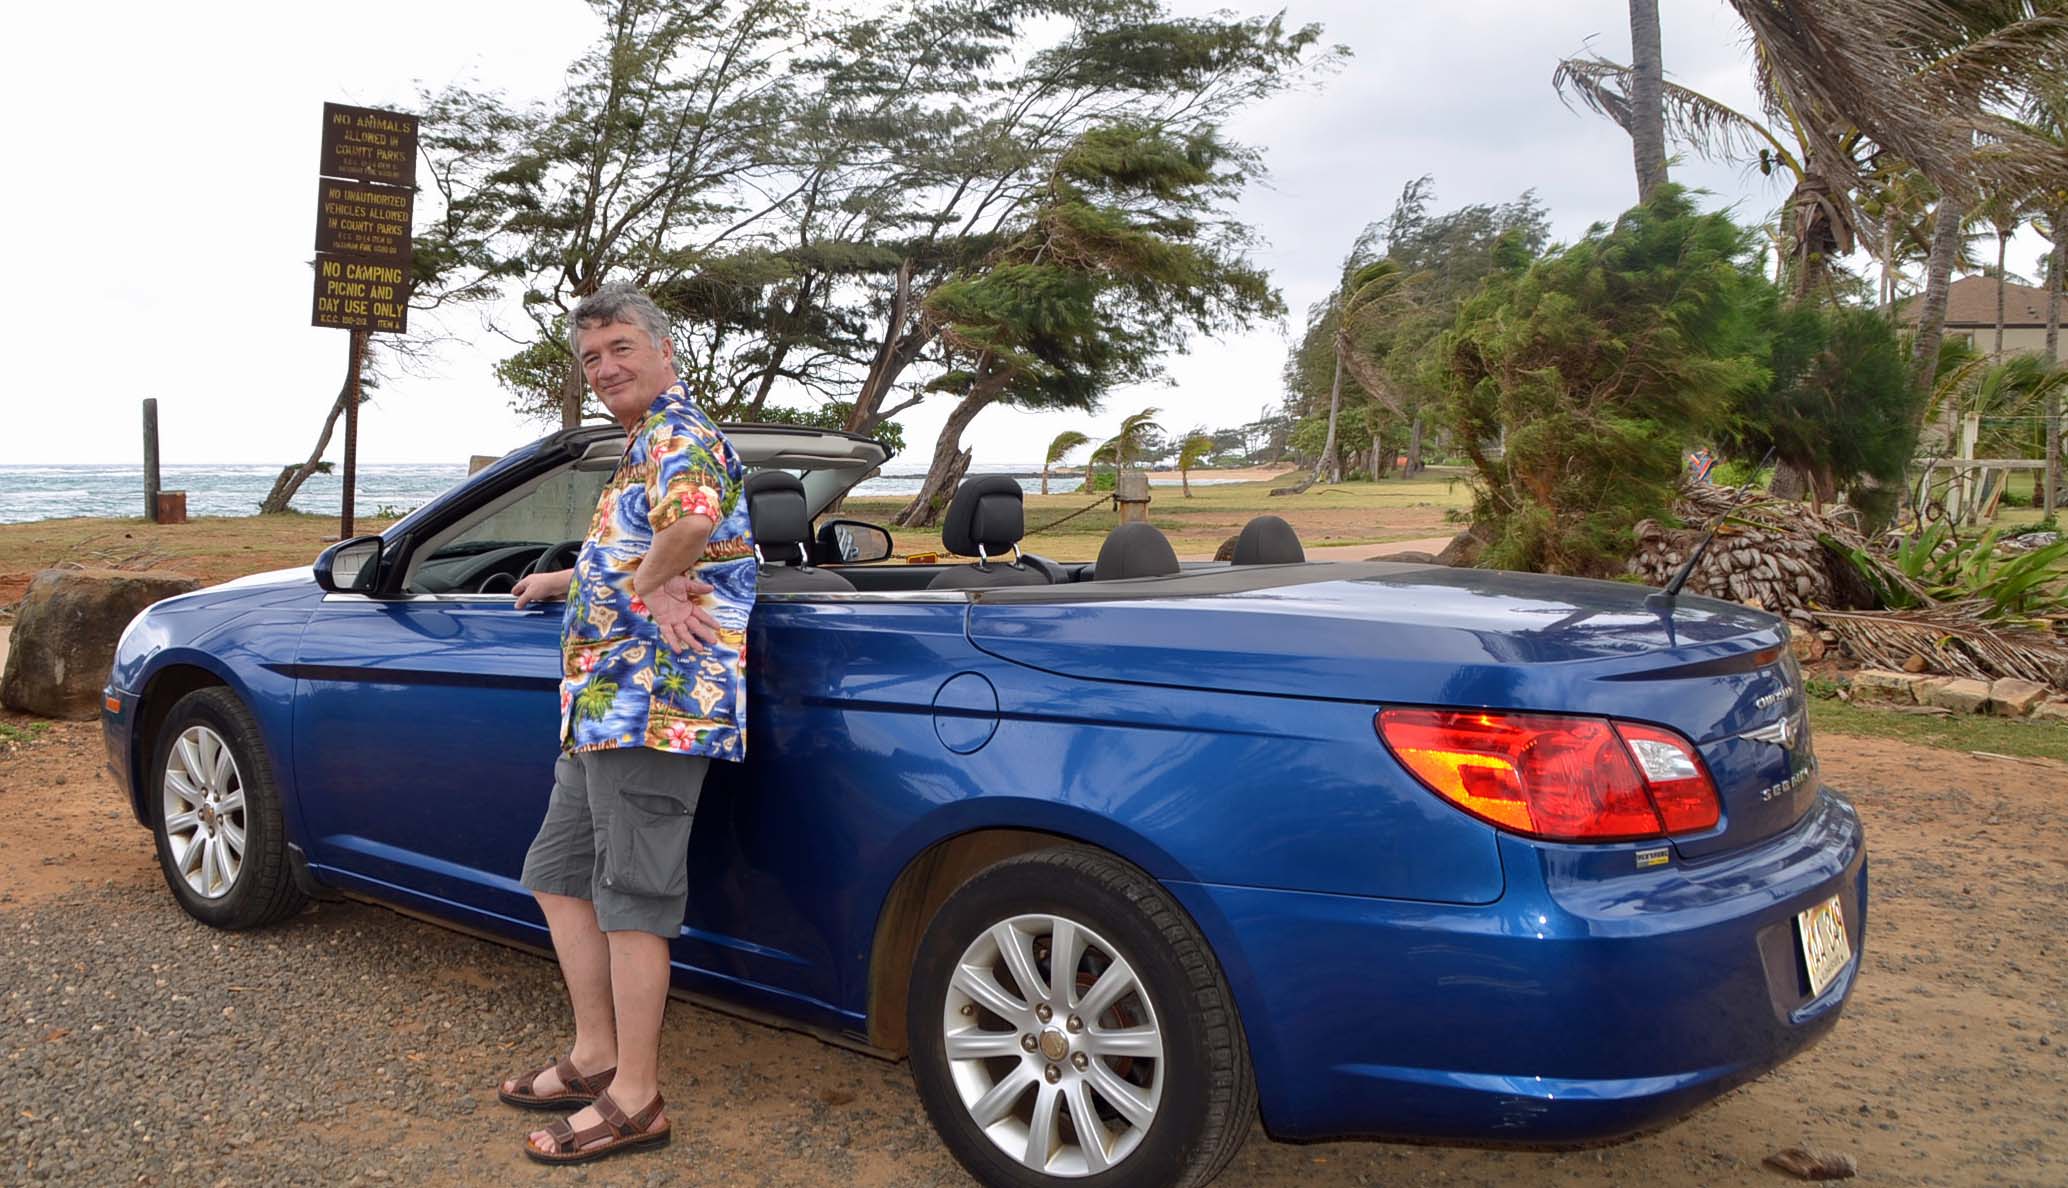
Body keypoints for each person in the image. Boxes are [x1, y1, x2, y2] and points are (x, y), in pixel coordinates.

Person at [496, 283, 757, 1166]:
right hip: (602, 708)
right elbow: (641, 549)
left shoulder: (682, 435)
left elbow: (690, 526)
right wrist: (564, 581)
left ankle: (637, 1098)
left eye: (620, 348)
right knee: (559, 875)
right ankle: (595, 1052)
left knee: (633, 901)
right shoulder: (642, 446)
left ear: (665, 351)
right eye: (592, 358)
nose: (606, 368)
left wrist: (652, 581)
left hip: (656, 707)